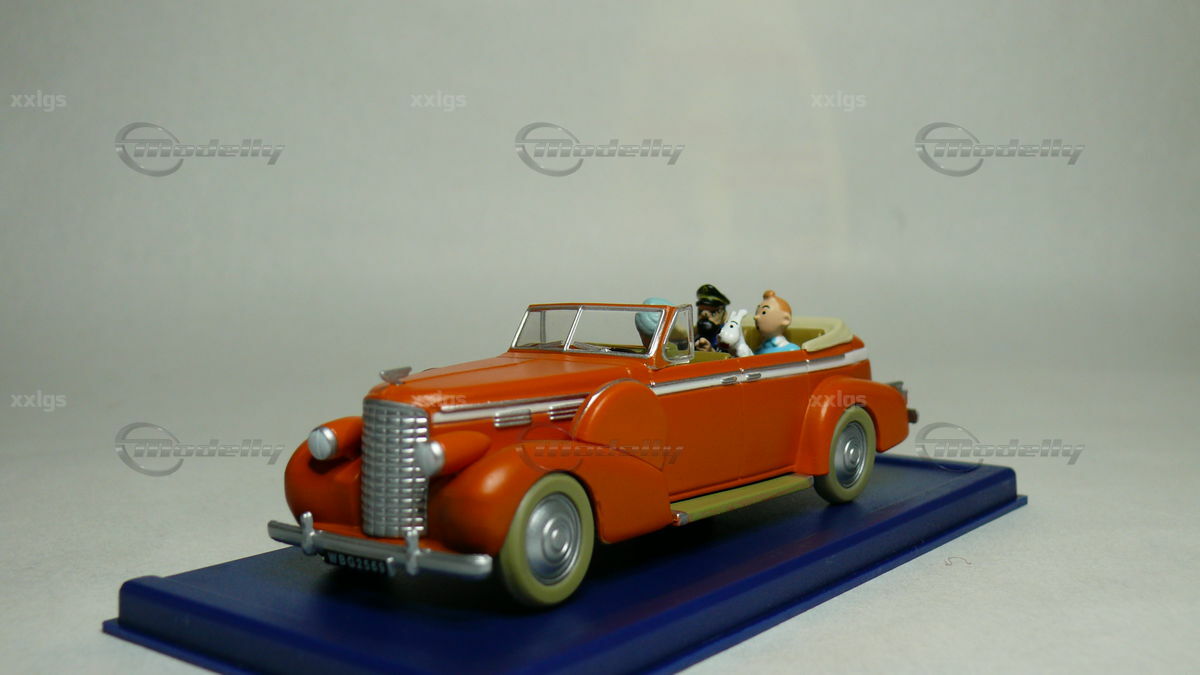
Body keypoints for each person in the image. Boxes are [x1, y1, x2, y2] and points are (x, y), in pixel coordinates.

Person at [753, 289, 801, 354]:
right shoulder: (757, 351)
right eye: (757, 312)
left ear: (786, 319)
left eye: (764, 312)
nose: (756, 317)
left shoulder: (791, 351)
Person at [693, 284, 732, 353]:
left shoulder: (727, 338)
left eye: (713, 313)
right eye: (700, 311)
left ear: (724, 315)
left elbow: (730, 356)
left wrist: (712, 352)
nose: (705, 315)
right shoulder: (694, 335)